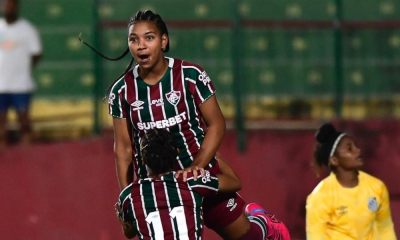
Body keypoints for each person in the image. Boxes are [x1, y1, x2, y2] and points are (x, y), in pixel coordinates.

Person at [81, 9, 289, 239]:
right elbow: (123, 149)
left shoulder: (190, 75)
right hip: (157, 188)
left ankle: (262, 223)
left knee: (247, 237)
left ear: (163, 41)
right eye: (133, 39)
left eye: (148, 37)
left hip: (200, 178)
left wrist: (196, 168)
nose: (140, 45)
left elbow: (217, 124)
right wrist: (127, 196)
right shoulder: (121, 91)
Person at [115, 128, 271, 240]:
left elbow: (129, 234)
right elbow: (235, 182)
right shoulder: (190, 180)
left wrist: (124, 221)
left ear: (142, 160)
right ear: (176, 154)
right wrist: (209, 155)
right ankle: (262, 221)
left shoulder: (128, 195)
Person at [306, 123, 397, 240]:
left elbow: (385, 229)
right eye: (349, 148)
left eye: (356, 145)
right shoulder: (320, 197)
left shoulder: (377, 187)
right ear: (334, 160)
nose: (358, 150)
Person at [0, 0, 42, 148]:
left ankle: (27, 155)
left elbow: (36, 54)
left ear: (17, 7)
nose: (7, 8)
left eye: (11, 5)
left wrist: (21, 67)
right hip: (1, 85)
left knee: (24, 122)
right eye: (5, 5)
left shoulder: (27, 29)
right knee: (1, 124)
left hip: (21, 85)